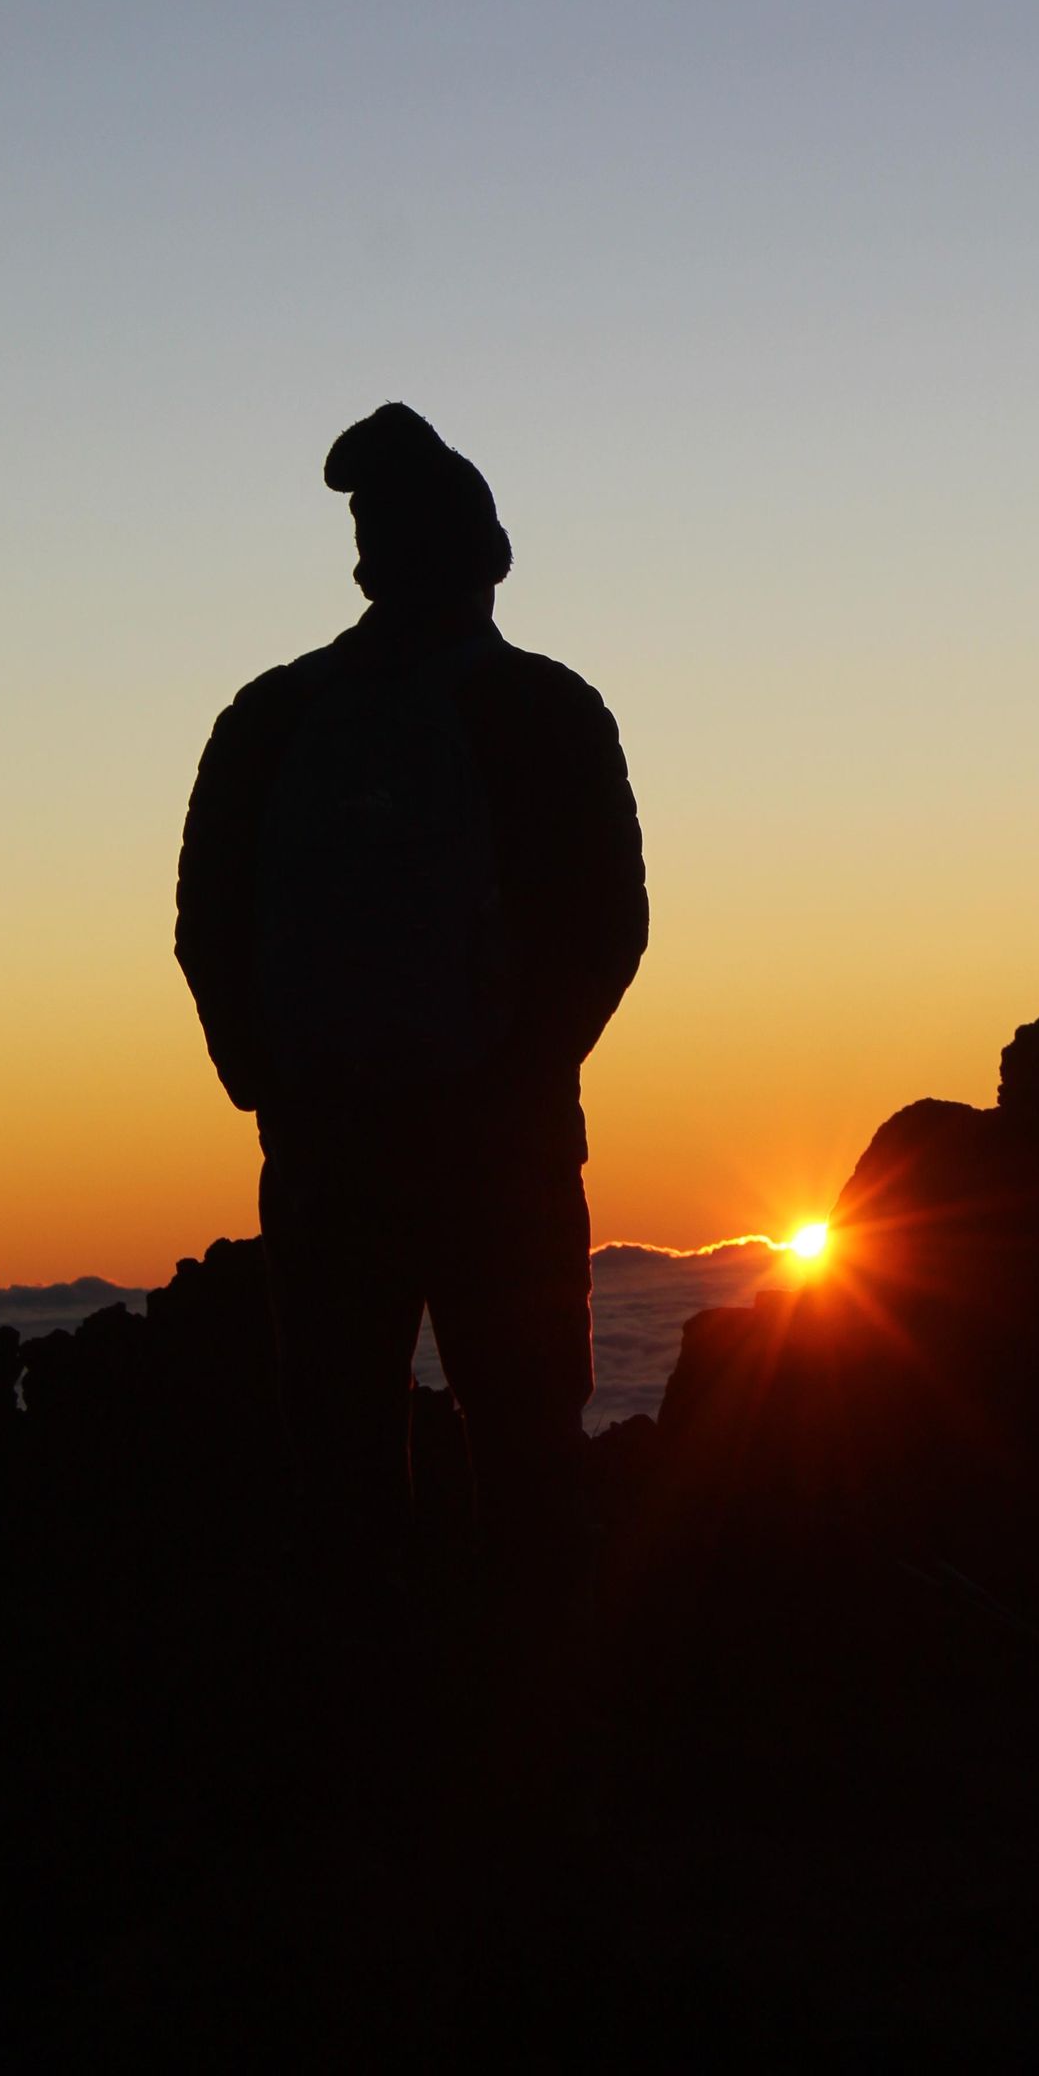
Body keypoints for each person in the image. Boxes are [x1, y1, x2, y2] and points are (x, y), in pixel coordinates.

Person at [175, 404, 647, 1569]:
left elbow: (207, 925)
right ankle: (535, 1715)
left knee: (339, 1449)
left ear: (366, 562)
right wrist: (525, 1076)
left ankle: (353, 1714)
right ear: (488, 559)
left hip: (328, 1144)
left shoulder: (271, 716)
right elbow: (612, 926)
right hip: (506, 1148)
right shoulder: (550, 709)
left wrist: (274, 1087)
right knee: (531, 1448)